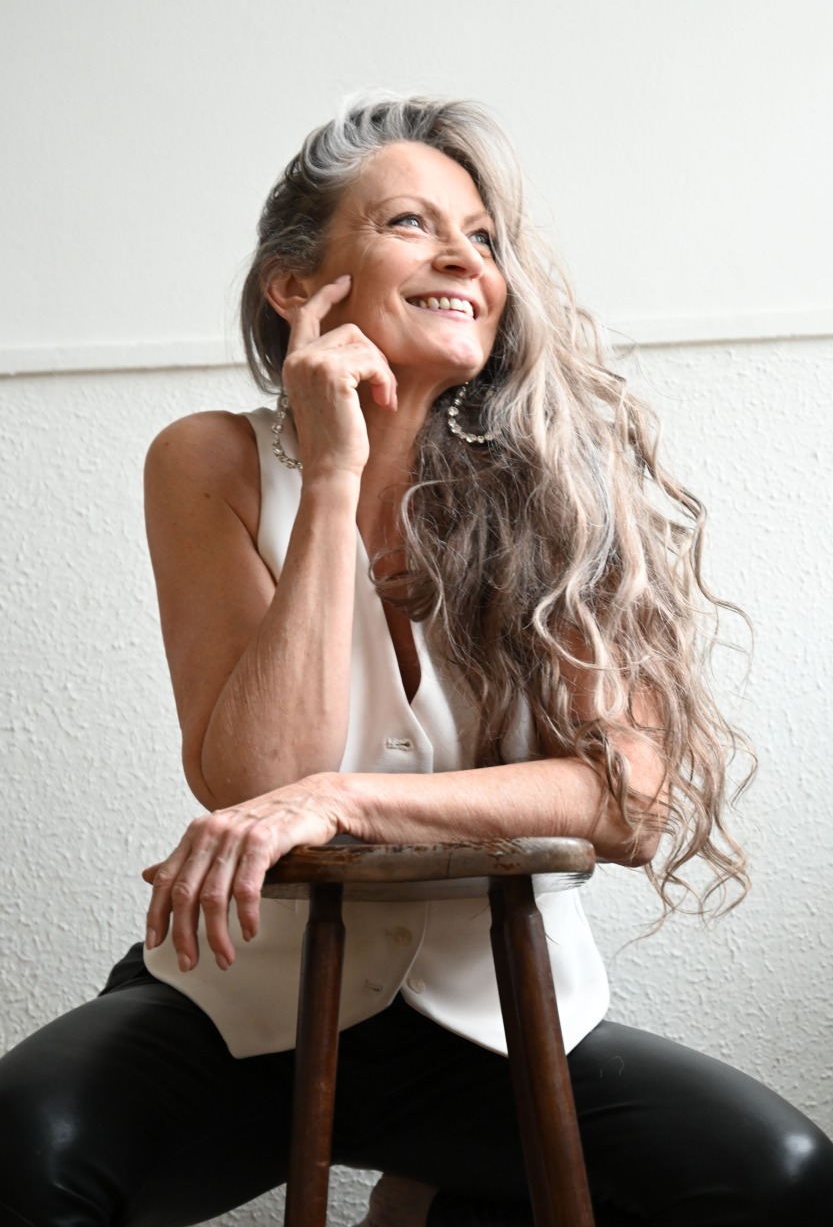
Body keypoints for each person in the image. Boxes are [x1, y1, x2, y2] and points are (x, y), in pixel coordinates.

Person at [0, 94, 831, 1227]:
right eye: (409, 222)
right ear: (295, 286)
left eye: (481, 236)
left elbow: (627, 798)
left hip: (499, 1022)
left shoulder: (560, 488)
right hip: (244, 1009)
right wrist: (332, 472)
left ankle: (436, 1203)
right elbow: (253, 776)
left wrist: (342, 799)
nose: (463, 257)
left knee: (780, 1175)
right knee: (21, 1154)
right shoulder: (208, 461)